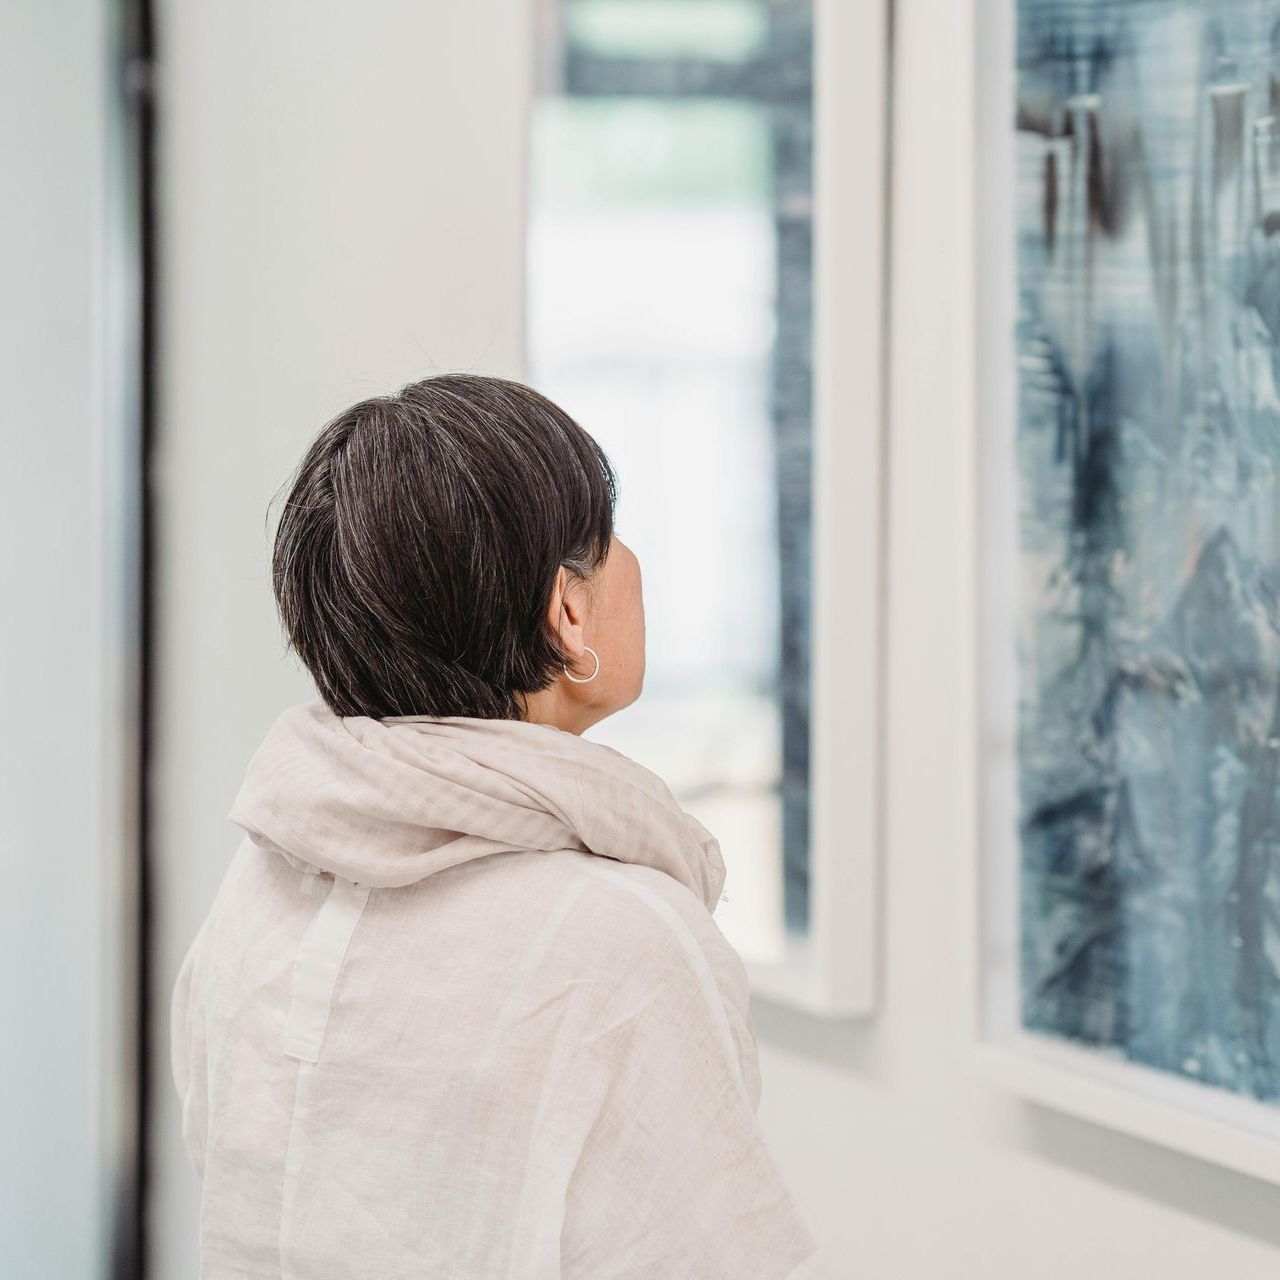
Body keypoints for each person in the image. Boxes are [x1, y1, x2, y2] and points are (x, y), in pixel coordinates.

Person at [170, 373, 823, 1278]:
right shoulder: (619, 939)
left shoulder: (263, 880)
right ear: (567, 614)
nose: (633, 562)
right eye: (609, 534)